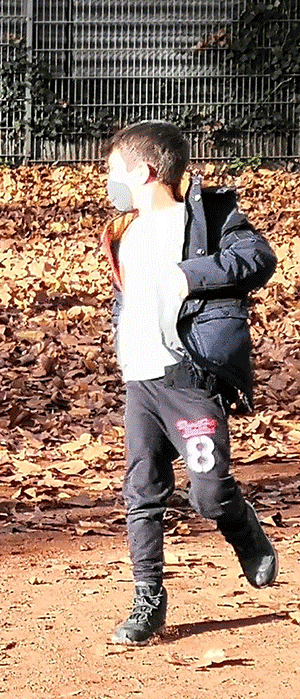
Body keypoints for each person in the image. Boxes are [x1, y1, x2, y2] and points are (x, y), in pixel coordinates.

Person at [99, 120, 278, 645]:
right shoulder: (124, 230)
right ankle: (148, 599)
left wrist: (192, 274)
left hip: (189, 381)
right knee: (142, 492)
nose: (109, 181)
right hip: (141, 382)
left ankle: (241, 525)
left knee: (208, 492)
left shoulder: (207, 218)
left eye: (115, 171)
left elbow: (258, 259)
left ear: (144, 171)